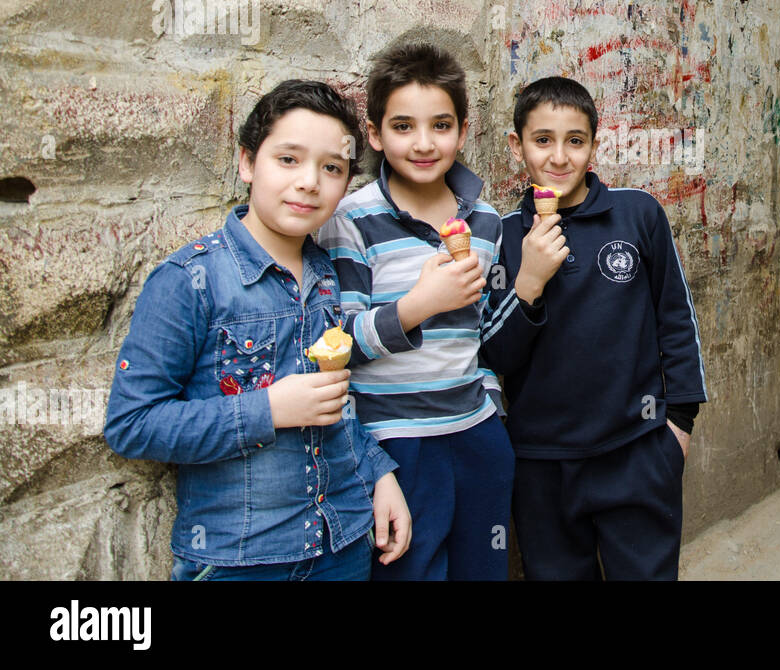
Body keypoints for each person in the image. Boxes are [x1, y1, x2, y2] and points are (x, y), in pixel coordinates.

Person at [104, 80, 411, 580]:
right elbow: (132, 424)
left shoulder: (327, 276)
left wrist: (379, 476)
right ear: (248, 163)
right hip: (242, 560)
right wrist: (268, 409)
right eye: (288, 159)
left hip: (345, 543)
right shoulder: (190, 281)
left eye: (331, 168)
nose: (310, 181)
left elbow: (337, 403)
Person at [479, 76, 707, 580]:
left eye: (575, 141)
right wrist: (529, 282)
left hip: (636, 449)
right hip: (542, 462)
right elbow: (495, 357)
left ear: (594, 146)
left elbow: (675, 320)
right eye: (543, 140)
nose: (559, 158)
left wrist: (679, 426)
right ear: (517, 146)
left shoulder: (637, 214)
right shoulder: (504, 236)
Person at [316, 42, 512, 580]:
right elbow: (336, 345)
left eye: (441, 126)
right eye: (403, 127)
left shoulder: (488, 221)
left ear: (463, 131)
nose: (424, 144)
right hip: (395, 446)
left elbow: (484, 330)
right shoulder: (352, 220)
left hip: (476, 436)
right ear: (374, 135)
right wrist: (415, 307)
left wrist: (492, 406)